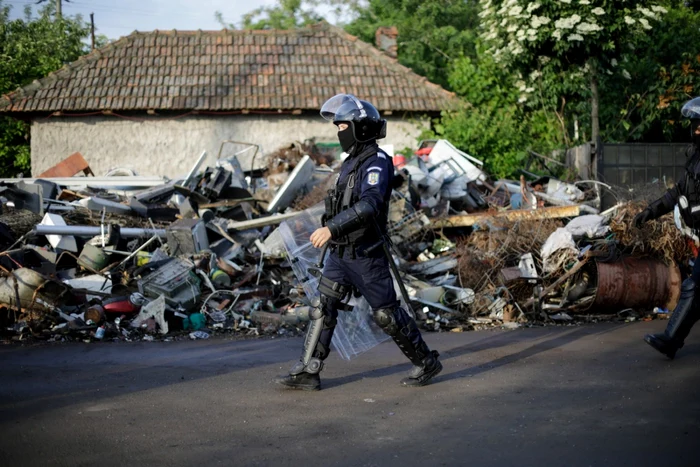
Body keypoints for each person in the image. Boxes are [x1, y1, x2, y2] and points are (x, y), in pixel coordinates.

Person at [276, 94, 442, 390]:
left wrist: (332, 229)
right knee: (322, 306)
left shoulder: (377, 161)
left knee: (386, 314)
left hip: (366, 255)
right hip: (340, 253)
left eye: (342, 126)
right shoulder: (351, 162)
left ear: (360, 128)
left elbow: (369, 205)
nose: (338, 132)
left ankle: (425, 362)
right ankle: (308, 370)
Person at [634, 96, 700, 359]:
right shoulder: (695, 159)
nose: (695, 130)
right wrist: (651, 211)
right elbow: (678, 193)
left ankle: (671, 340)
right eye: (694, 125)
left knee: (694, 286)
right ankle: (671, 340)